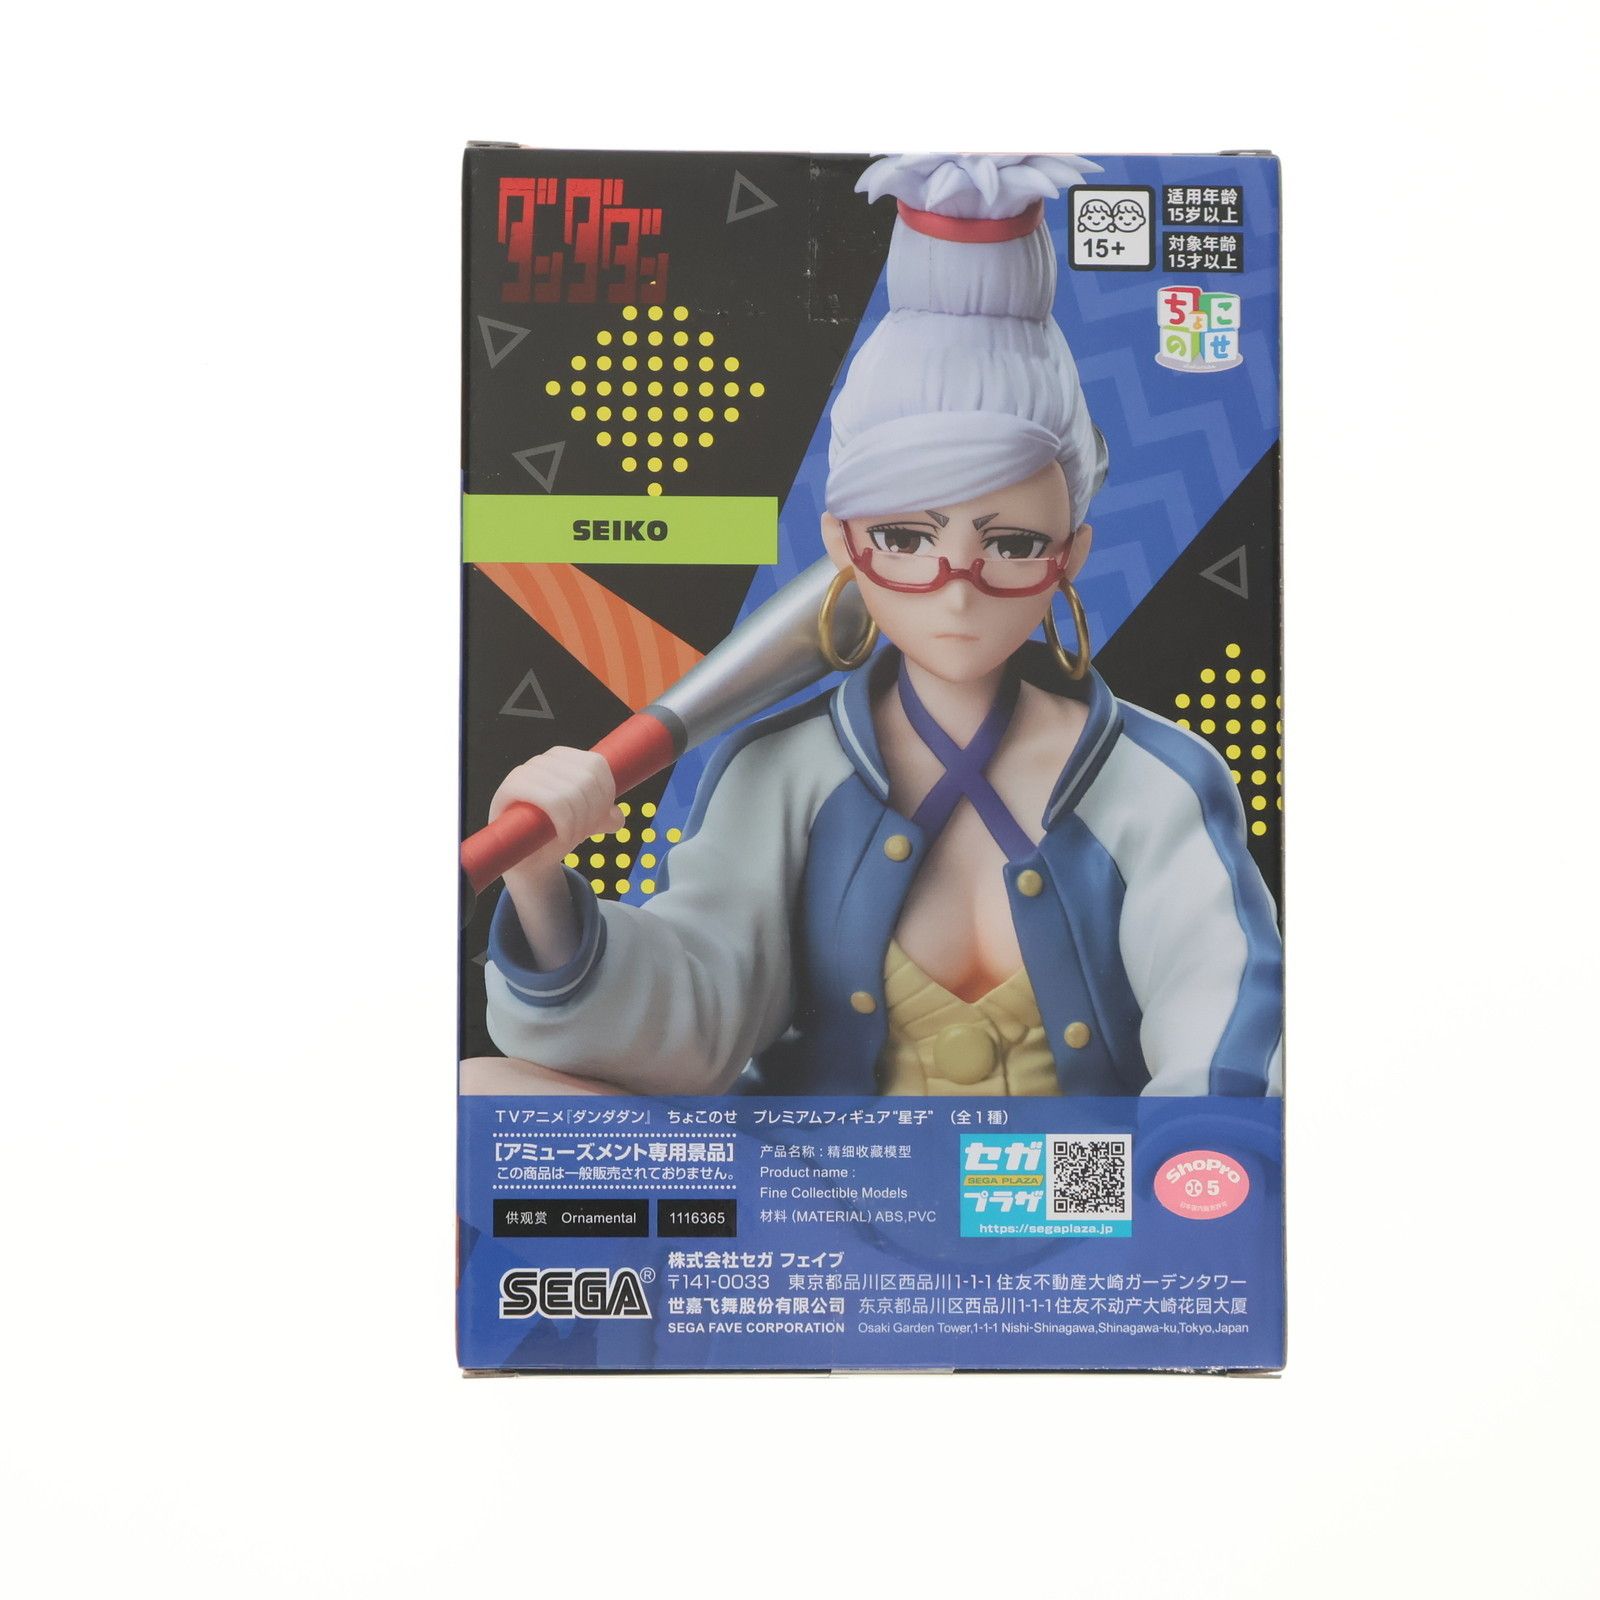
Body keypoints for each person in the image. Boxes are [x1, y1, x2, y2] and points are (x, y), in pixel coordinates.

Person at [476, 154, 1282, 1098]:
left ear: (1071, 554)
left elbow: (1224, 1011)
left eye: (1012, 544)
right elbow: (692, 1026)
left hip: (1081, 1179)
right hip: (828, 1179)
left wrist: (1184, 1165)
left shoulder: (1156, 779)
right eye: (906, 539)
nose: (956, 590)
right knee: (487, 1089)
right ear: (843, 546)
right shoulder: (780, 772)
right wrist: (539, 881)